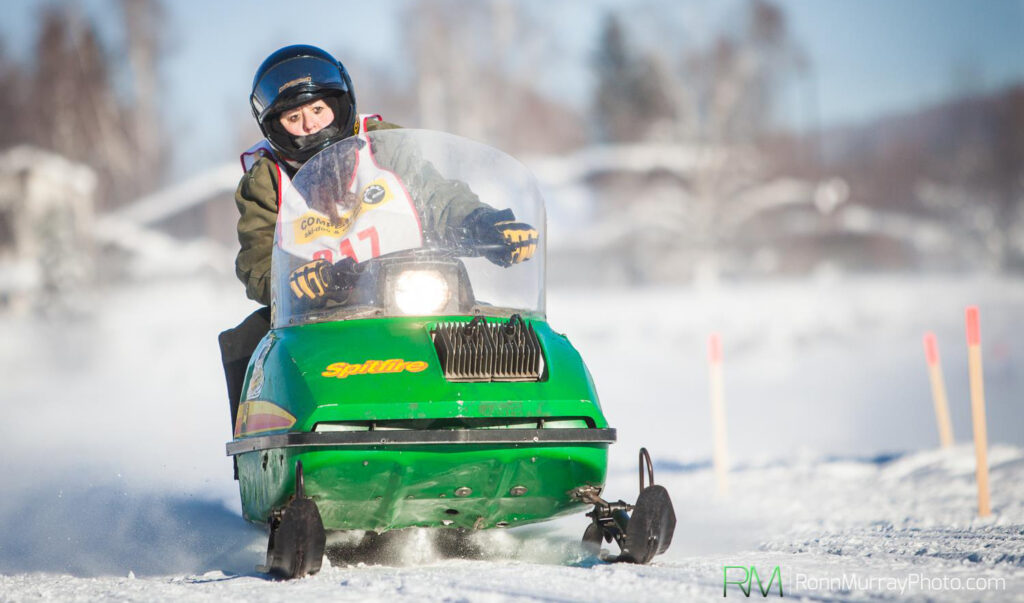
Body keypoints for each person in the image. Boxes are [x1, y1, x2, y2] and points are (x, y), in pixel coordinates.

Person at [218, 45, 538, 436]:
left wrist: (486, 224)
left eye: (318, 109)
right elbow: (257, 261)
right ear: (275, 125)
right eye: (294, 117)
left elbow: (437, 197)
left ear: (339, 104)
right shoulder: (266, 181)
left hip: (414, 293)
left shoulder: (385, 146)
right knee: (252, 342)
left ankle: (519, 423)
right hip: (320, 310)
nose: (310, 125)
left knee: (502, 329)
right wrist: (294, 280)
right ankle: (271, 444)